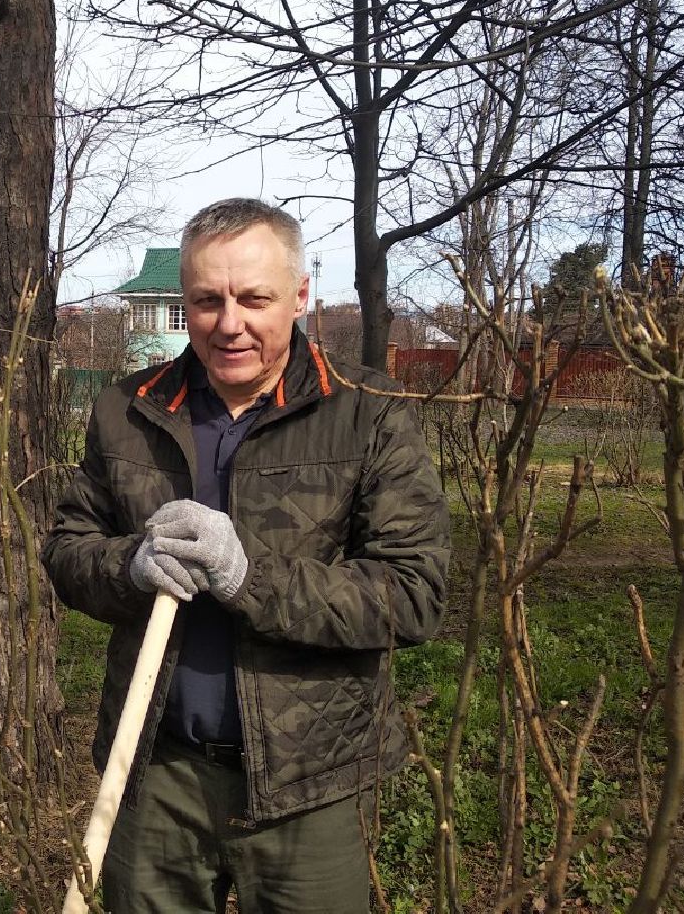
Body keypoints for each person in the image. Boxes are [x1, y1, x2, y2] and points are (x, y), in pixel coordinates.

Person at [42, 199, 450, 913]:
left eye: (253, 298)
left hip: (309, 783)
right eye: (206, 301)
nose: (228, 323)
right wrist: (129, 567)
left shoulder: (367, 411)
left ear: (298, 297)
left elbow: (412, 593)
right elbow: (69, 550)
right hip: (156, 767)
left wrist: (247, 577)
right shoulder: (127, 411)